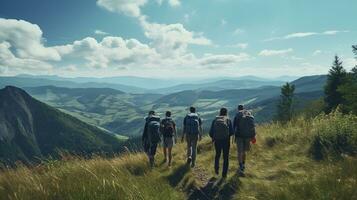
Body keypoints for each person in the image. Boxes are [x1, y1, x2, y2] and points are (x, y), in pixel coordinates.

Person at [209, 107, 234, 178]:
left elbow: (211, 132)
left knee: (217, 155)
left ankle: (216, 169)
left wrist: (214, 137)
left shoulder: (215, 120)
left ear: (220, 112)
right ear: (226, 112)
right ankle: (224, 174)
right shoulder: (228, 120)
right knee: (226, 157)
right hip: (226, 140)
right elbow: (232, 132)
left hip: (217, 140)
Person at [233, 105, 256, 176]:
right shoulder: (248, 114)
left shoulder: (237, 115)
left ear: (238, 109)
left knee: (239, 151)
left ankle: (240, 165)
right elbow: (252, 126)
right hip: (247, 136)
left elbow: (234, 127)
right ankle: (243, 163)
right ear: (243, 108)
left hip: (239, 136)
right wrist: (253, 136)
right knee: (244, 151)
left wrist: (234, 136)